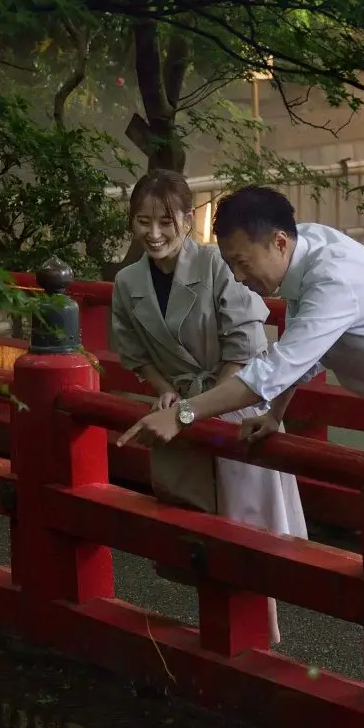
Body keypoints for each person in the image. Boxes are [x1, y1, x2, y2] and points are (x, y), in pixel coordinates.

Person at [114, 185, 364, 715]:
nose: (239, 276)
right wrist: (277, 414)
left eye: (242, 262)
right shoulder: (308, 255)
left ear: (279, 242)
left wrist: (185, 414)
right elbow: (301, 350)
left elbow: (271, 366)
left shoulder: (332, 277)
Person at [108, 171, 309, 645]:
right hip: (180, 408)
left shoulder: (221, 265)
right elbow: (135, 354)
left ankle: (259, 637)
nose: (153, 234)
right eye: (143, 221)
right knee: (196, 526)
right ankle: (219, 633)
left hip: (234, 402)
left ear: (187, 218)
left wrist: (198, 408)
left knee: (245, 526)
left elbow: (245, 347)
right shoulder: (127, 281)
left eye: (165, 221)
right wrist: (165, 391)